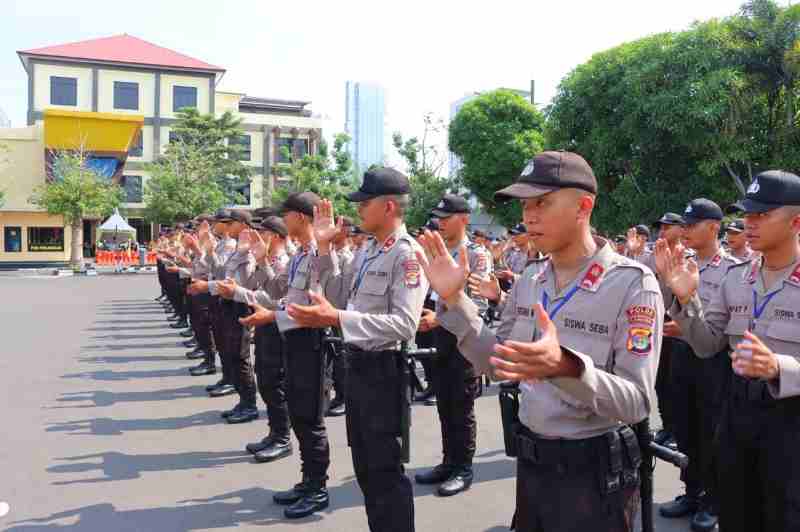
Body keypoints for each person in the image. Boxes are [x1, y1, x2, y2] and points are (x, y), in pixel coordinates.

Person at [417, 151, 662, 532]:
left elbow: (637, 402)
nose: (529, 216)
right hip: (533, 467)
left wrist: (566, 367)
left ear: (583, 206)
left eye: (543, 203)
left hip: (594, 476)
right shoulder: (531, 279)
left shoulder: (632, 283)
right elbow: (498, 363)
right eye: (526, 205)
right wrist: (455, 299)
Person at [655, 170, 800, 532]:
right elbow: (706, 345)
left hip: (791, 419)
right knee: (738, 511)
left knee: (785, 514)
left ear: (796, 221)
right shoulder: (739, 278)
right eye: (748, 214)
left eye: (762, 215)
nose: (749, 223)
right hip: (737, 411)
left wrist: (781, 367)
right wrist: (686, 298)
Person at [287, 167, 429, 532]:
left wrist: (337, 317)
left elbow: (404, 325)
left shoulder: (406, 255)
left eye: (366, 203)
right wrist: (322, 246)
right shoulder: (368, 251)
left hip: (384, 370)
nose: (359, 209)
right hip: (358, 367)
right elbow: (336, 296)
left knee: (385, 472)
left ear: (389, 207)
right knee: (366, 469)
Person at [235, 192, 335, 519]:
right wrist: (263, 260)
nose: (284, 220)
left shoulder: (321, 255)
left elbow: (320, 301)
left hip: (310, 340)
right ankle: (307, 481)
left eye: (287, 215)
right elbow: (281, 292)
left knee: (310, 417)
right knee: (298, 411)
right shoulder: (300, 255)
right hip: (292, 340)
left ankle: (318, 487)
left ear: (301, 218)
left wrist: (272, 316)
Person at [657, 199, 739, 532]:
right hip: (681, 353)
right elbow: (666, 304)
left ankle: (713, 499)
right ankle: (692, 490)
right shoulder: (684, 261)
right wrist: (665, 278)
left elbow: (725, 324)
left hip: (714, 360)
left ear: (714, 227)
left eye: (693, 225)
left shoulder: (732, 269)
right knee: (684, 425)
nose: (686, 231)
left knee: (712, 431)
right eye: (685, 225)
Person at [414, 193, 492, 497]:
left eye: (446, 218)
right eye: (439, 218)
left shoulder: (476, 254)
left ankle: (464, 468)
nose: (440, 223)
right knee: (444, 402)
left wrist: (439, 318)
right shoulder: (439, 251)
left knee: (461, 406)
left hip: (463, 337)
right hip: (440, 337)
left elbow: (479, 304)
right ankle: (449, 461)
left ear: (464, 219)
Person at [234, 216, 294, 464]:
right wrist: (250, 257)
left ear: (278, 236)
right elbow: (248, 284)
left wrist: (248, 294)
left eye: (264, 233)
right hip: (264, 322)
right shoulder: (266, 260)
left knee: (275, 382)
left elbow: (279, 298)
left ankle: (283, 437)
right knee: (265, 380)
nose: (258, 237)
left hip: (278, 324)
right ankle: (274, 431)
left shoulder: (285, 262)